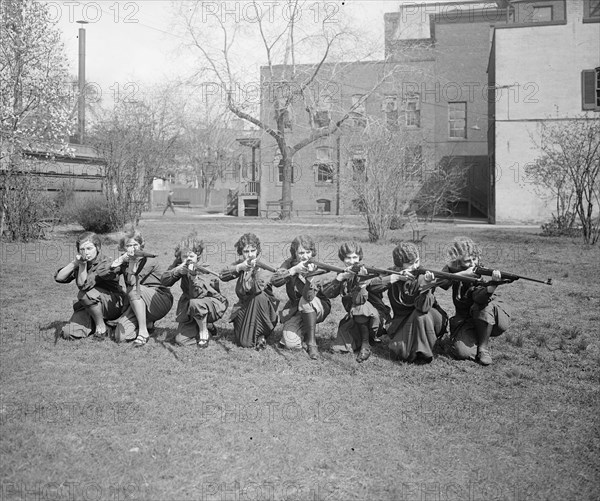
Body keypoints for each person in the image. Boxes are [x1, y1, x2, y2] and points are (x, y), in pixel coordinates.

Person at [438, 236, 511, 366]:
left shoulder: (481, 273)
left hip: (489, 313)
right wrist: (461, 275)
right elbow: (440, 282)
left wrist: (491, 287)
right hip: (466, 319)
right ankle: (477, 336)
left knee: (482, 306)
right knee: (462, 353)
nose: (472, 263)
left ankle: (483, 349)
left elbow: (479, 297)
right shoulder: (456, 270)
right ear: (457, 262)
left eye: (474, 258)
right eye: (467, 261)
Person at [372, 242, 448, 363]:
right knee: (398, 351)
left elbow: (423, 307)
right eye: (410, 264)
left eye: (417, 261)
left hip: (429, 318)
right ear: (399, 266)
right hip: (403, 321)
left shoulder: (424, 275)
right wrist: (395, 278)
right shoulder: (393, 273)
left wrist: (427, 286)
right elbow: (372, 287)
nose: (415, 266)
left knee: (419, 315)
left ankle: (424, 354)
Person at [322, 241, 390, 363]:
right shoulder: (344, 273)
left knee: (360, 306)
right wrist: (340, 278)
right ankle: (365, 338)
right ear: (342, 259)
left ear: (359, 257)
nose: (352, 261)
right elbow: (328, 294)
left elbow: (360, 299)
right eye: (348, 257)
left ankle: (366, 345)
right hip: (354, 316)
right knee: (340, 348)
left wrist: (362, 281)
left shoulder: (369, 272)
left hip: (375, 317)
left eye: (355, 257)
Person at [160, 233, 228, 348]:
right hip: (190, 306)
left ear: (198, 255)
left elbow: (197, 294)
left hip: (209, 303)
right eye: (184, 256)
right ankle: (205, 326)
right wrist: (177, 271)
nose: (188, 260)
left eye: (191, 256)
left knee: (195, 302)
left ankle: (204, 331)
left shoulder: (204, 267)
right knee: (181, 340)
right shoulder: (179, 265)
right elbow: (164, 281)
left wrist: (192, 277)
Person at [54, 232, 125, 340]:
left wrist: (82, 265)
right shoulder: (82, 262)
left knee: (85, 294)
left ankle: (101, 327)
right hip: (90, 305)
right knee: (68, 333)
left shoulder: (105, 262)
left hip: (112, 304)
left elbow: (84, 286)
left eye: (89, 248)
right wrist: (75, 263)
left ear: (97, 248)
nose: (85, 252)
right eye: (82, 249)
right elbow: (60, 278)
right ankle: (101, 323)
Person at [271, 235, 331, 359]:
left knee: (305, 301)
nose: (305, 256)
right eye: (301, 252)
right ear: (294, 253)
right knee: (290, 343)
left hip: (317, 304)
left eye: (308, 252)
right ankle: (305, 329)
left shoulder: (317, 265)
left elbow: (309, 296)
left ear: (312, 252)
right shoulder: (289, 264)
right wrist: (293, 270)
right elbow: (275, 281)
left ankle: (312, 343)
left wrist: (310, 276)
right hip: (295, 308)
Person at [110, 229, 173, 346]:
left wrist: (131, 262)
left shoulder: (149, 260)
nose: (133, 248)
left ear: (141, 245)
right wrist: (121, 260)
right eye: (129, 245)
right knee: (120, 336)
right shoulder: (124, 260)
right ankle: (146, 322)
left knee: (134, 290)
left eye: (135, 245)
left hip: (159, 299)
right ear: (123, 247)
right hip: (137, 300)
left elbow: (131, 281)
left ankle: (143, 331)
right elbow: (108, 273)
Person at [220, 233, 279, 349]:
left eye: (253, 250)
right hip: (245, 306)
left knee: (258, 296)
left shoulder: (264, 265)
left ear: (257, 250)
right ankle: (256, 335)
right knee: (244, 342)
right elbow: (222, 275)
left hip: (263, 308)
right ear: (241, 252)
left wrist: (255, 271)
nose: (250, 254)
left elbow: (257, 288)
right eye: (246, 251)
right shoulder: (242, 264)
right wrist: (239, 268)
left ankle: (262, 333)